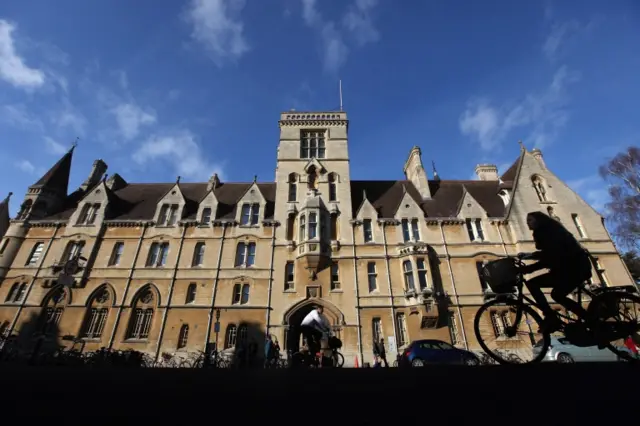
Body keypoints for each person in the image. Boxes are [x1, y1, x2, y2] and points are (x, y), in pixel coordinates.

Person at [520, 211, 593, 333]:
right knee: (557, 295)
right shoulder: (551, 230)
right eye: (527, 221)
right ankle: (590, 320)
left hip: (573, 268)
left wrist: (528, 269)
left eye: (530, 220)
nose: (528, 223)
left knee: (533, 284)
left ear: (539, 220)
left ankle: (550, 316)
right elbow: (549, 254)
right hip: (573, 267)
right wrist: (529, 256)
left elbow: (552, 257)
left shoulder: (547, 232)